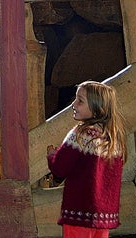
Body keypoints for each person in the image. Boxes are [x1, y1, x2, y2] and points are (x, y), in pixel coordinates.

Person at [47, 81, 127, 238]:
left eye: (80, 101)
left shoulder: (81, 134)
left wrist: (51, 155)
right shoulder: (113, 139)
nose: (73, 104)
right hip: (104, 218)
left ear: (97, 109)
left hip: (79, 215)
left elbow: (59, 168)